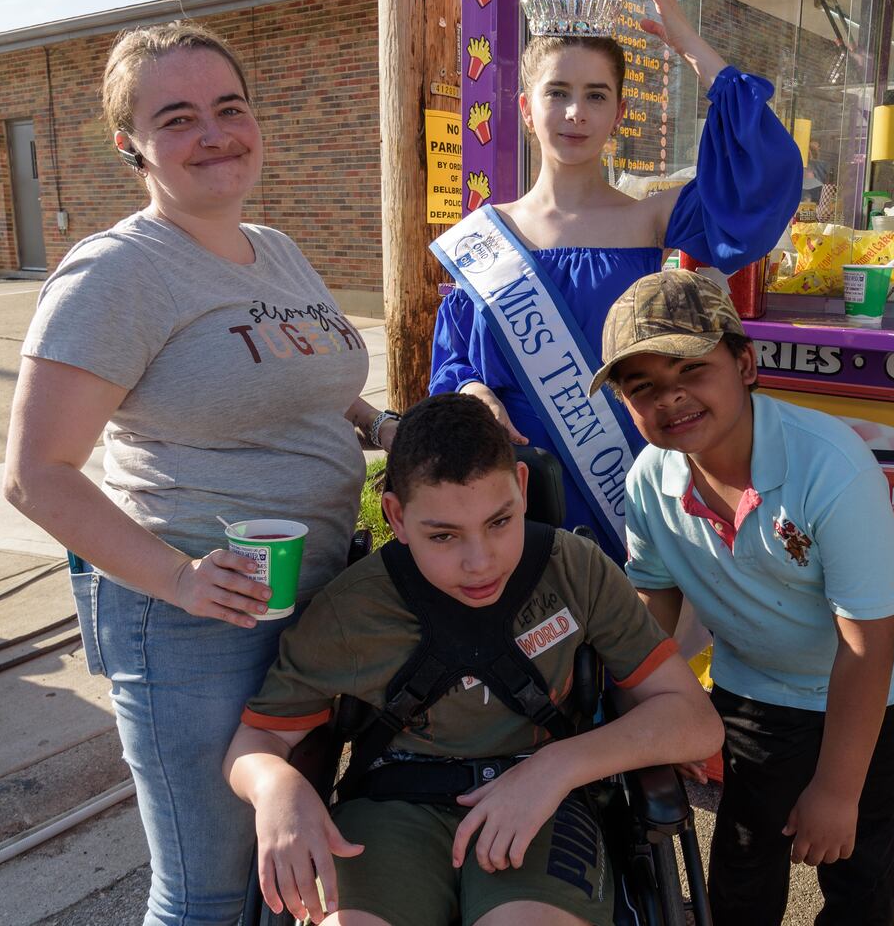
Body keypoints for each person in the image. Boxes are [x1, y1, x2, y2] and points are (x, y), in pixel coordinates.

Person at [3, 21, 395, 926]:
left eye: (230, 107)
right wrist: (178, 579)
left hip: (318, 596)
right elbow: (36, 475)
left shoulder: (277, 248)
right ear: (129, 147)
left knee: (284, 877)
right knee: (209, 892)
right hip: (194, 620)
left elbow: (298, 383)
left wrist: (383, 426)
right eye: (177, 118)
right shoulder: (117, 275)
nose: (215, 132)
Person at [225, 393, 723, 925]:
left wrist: (559, 766)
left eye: (499, 521)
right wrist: (277, 787)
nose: (480, 561)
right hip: (394, 805)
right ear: (395, 516)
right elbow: (258, 739)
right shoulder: (352, 609)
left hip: (544, 801)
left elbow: (693, 721)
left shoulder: (575, 571)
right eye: (443, 535)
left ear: (523, 491)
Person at [591, 270, 894, 926]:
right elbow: (652, 608)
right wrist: (654, 721)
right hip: (757, 687)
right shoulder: (649, 480)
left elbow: (869, 644)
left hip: (882, 684)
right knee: (745, 858)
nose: (671, 400)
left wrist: (837, 790)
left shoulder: (829, 465)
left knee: (856, 854)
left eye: (692, 371)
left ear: (744, 363)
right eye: (643, 388)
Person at [429, 0, 802, 562]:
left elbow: (766, 176)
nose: (576, 112)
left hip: (632, 478)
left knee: (632, 642)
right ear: (527, 109)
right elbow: (453, 365)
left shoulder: (652, 217)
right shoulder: (484, 237)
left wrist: (683, 40)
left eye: (596, 95)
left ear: (618, 114)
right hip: (520, 493)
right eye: (558, 93)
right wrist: (472, 392)